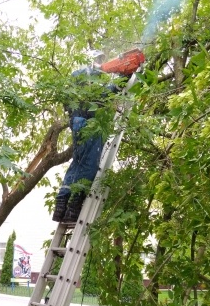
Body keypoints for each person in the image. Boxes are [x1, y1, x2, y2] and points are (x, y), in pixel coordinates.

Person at [52, 49, 145, 224]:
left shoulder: (76, 78)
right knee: (89, 164)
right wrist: (123, 77)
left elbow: (73, 100)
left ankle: (61, 205)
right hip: (90, 123)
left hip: (76, 123)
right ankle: (73, 207)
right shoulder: (89, 75)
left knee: (77, 162)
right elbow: (105, 94)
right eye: (99, 59)